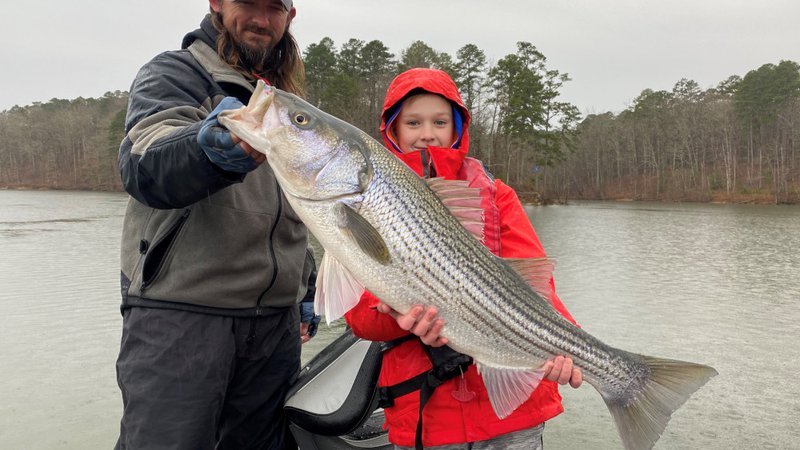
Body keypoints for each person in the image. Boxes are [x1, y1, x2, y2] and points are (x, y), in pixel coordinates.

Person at [115, 1, 319, 449]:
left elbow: (295, 209)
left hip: (274, 330)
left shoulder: (286, 106)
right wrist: (205, 149)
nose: (261, 20)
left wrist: (306, 287)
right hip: (183, 317)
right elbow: (144, 165)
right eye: (248, 3)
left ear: (291, 15)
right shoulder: (174, 74)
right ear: (216, 4)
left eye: (274, 8)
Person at [344, 68, 583, 450]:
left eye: (440, 122)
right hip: (426, 416)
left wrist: (570, 345)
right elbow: (359, 319)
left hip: (512, 416)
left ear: (458, 129)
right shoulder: (367, 202)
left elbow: (538, 287)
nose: (427, 133)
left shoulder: (496, 194)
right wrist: (393, 312)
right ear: (391, 130)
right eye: (413, 122)